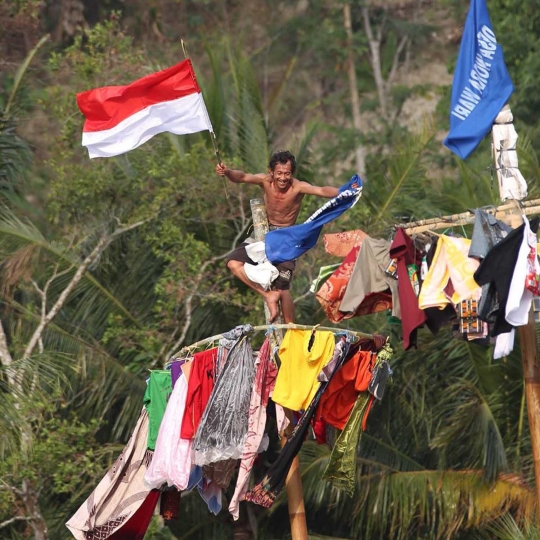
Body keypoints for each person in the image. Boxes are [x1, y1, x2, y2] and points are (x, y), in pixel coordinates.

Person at [216, 150, 339, 323]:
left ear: (292, 173)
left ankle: (290, 329)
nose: (282, 178)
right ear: (271, 172)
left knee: (282, 287)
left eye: (287, 173)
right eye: (279, 173)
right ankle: (267, 295)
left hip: (286, 238)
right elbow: (242, 177)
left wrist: (343, 191)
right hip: (263, 235)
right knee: (233, 263)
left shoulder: (298, 187)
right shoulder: (264, 181)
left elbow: (321, 190)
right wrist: (227, 172)